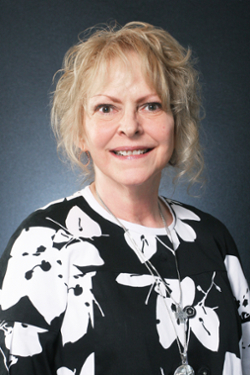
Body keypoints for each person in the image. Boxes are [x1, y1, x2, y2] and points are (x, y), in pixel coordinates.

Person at [0, 21, 249, 375]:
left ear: (175, 124)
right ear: (80, 132)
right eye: (106, 108)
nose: (130, 126)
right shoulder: (42, 243)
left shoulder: (214, 240)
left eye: (150, 106)